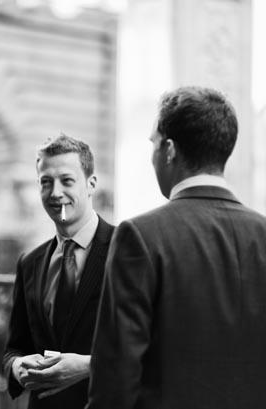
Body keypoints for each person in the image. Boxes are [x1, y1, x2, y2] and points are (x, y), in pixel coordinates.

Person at [86, 86, 266, 409]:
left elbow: (115, 378)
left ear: (169, 149)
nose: (152, 155)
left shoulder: (140, 236)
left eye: (153, 143)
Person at [2, 134, 114, 409]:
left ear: (91, 184)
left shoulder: (126, 249)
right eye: (45, 182)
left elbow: (152, 344)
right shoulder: (30, 262)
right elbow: (14, 348)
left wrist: (89, 366)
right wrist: (17, 366)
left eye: (67, 180)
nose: (55, 193)